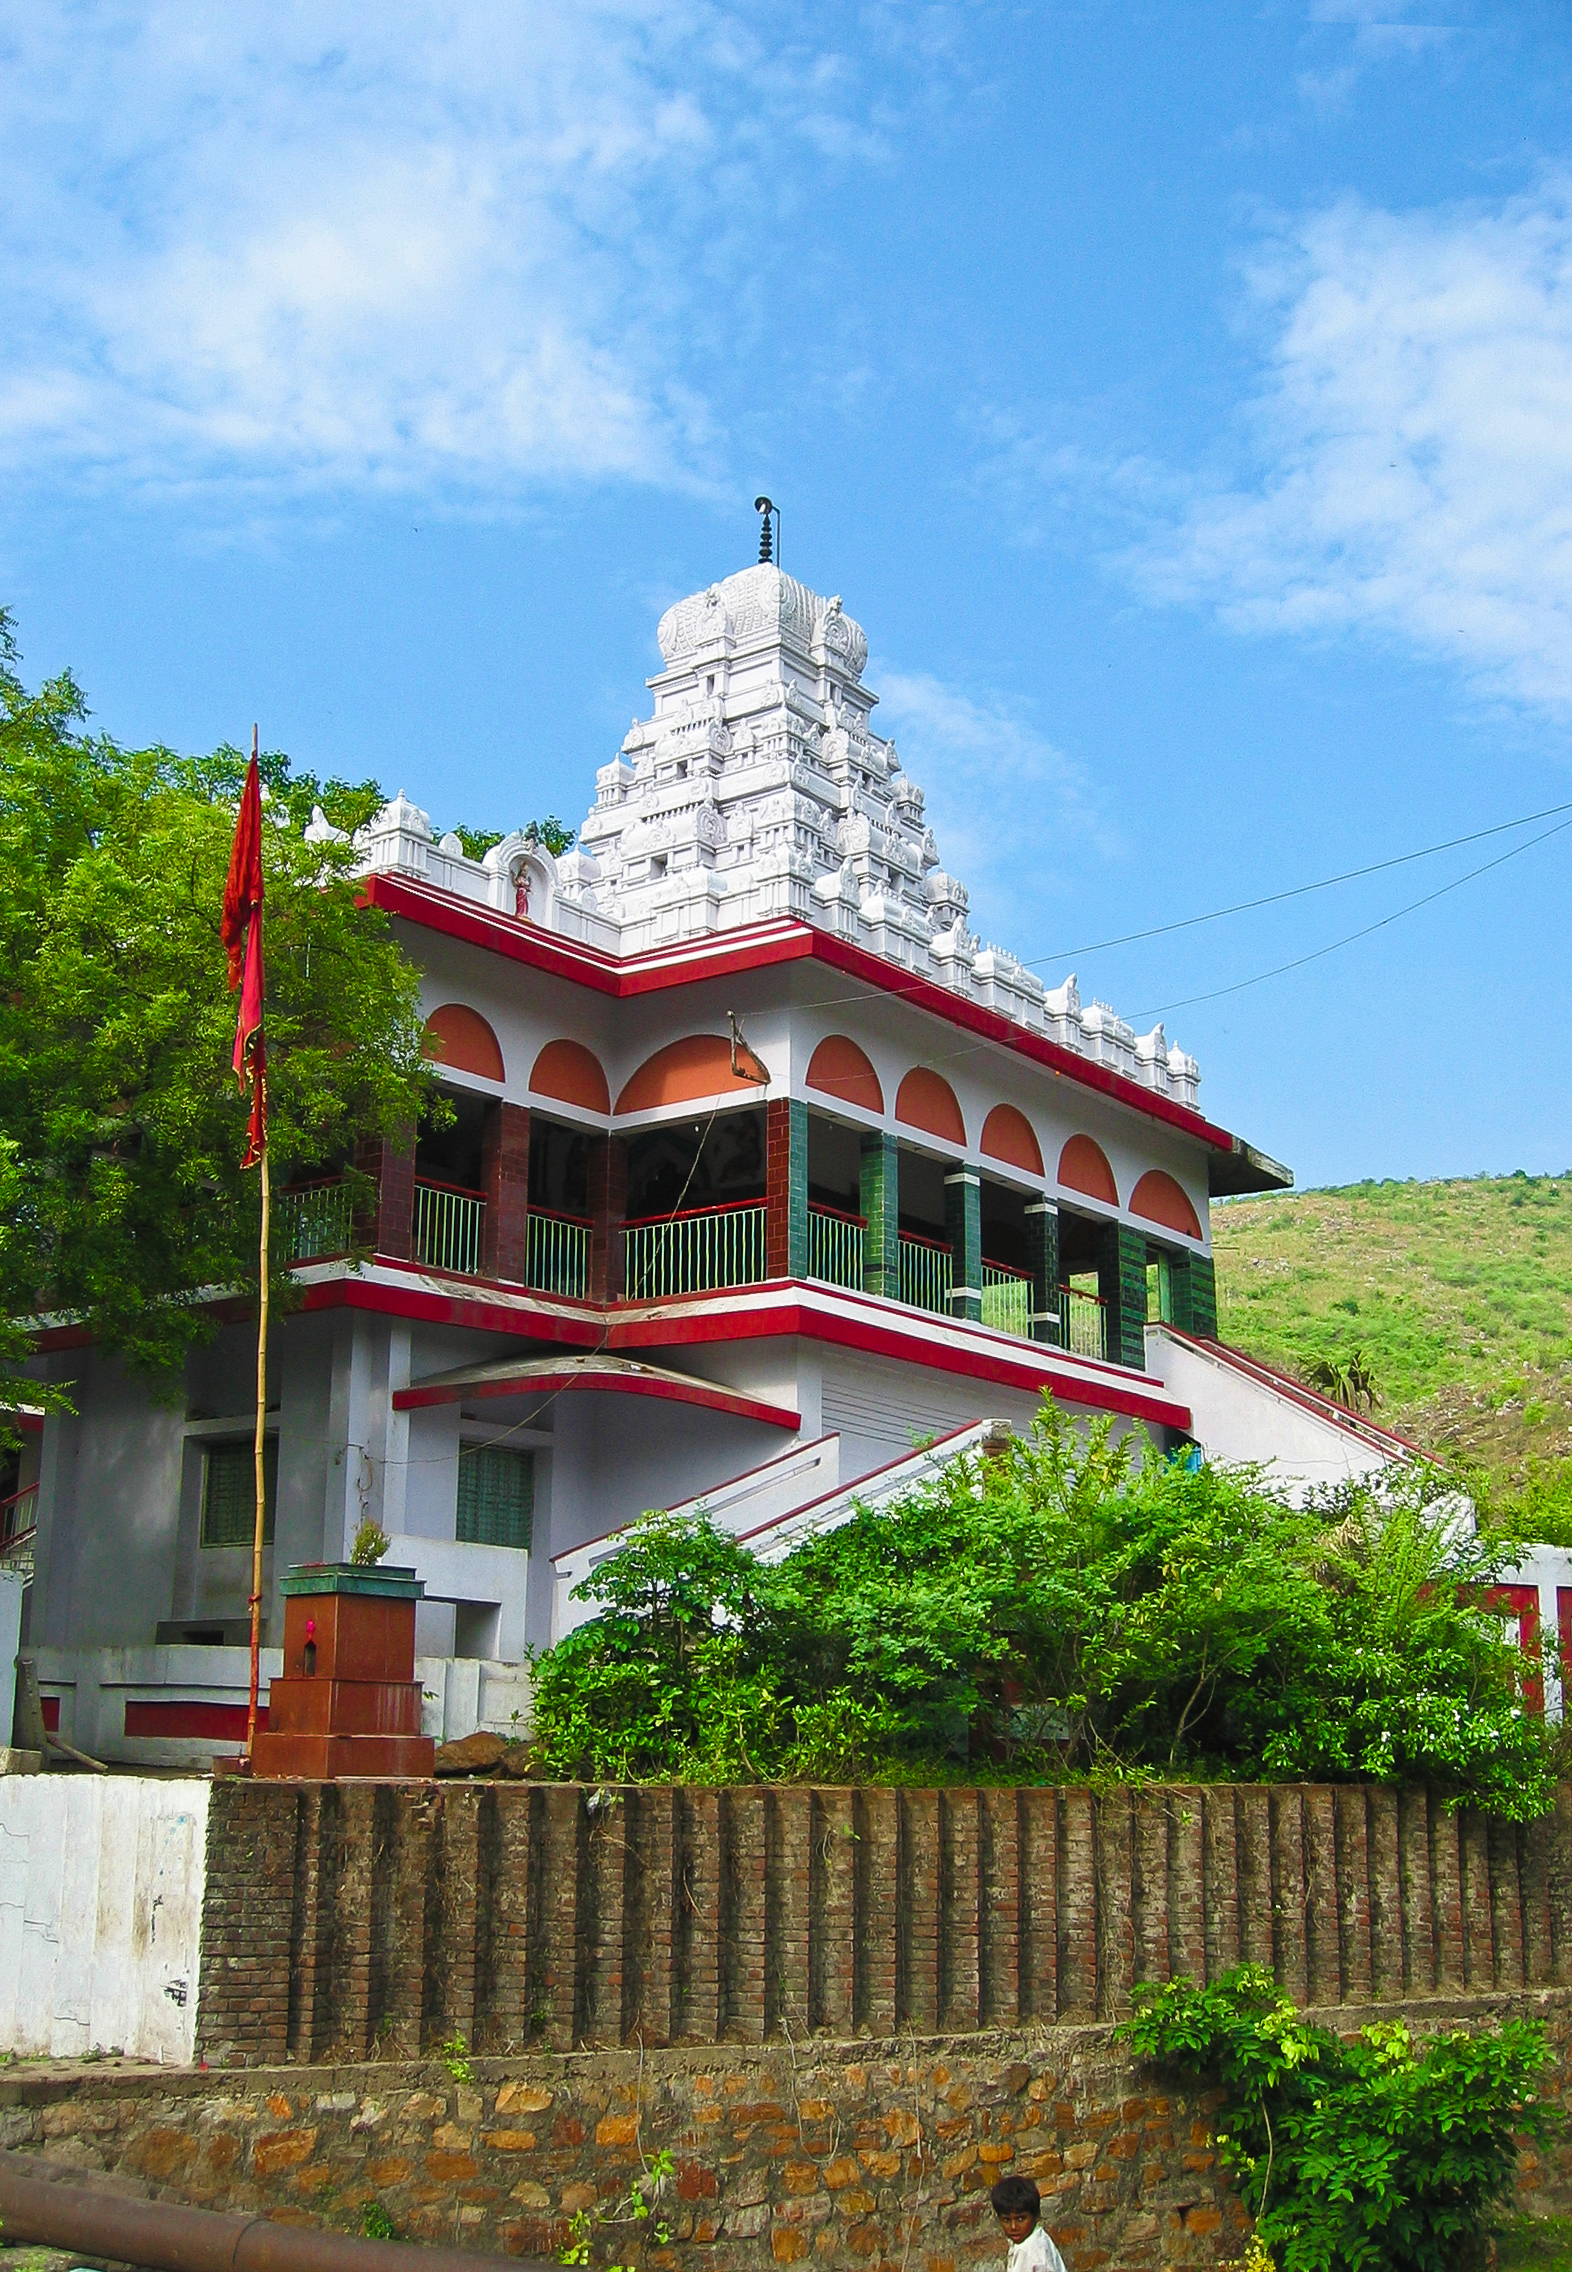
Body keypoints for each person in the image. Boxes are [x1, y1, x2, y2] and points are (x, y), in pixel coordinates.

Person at [990, 2175, 1067, 2272]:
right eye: (1006, 2220)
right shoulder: (1036, 2237)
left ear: (1036, 2216)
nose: (1013, 2227)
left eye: (1020, 2219)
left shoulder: (1030, 2251)